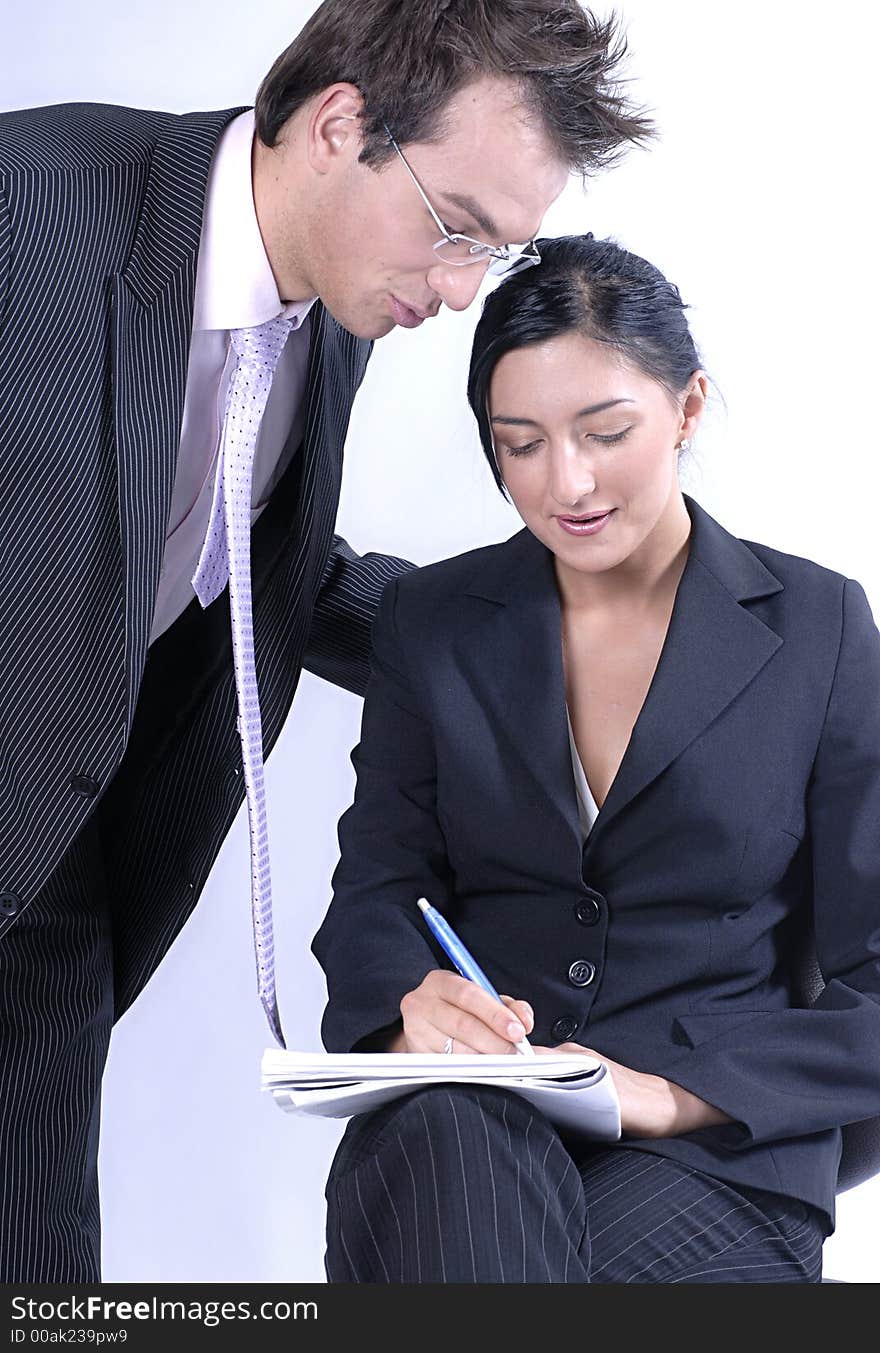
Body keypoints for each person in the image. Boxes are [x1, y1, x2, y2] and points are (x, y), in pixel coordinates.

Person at [0, 0, 653, 1283]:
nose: (467, 290)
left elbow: (255, 561)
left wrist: (554, 628)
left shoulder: (334, 311)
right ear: (344, 123)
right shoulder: (31, 207)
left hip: (56, 894)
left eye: (500, 252)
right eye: (456, 227)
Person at [312, 234, 880, 1283]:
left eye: (602, 431)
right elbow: (379, 886)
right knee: (454, 1164)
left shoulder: (820, 627)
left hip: (713, 1151)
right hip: (468, 1120)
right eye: (518, 443)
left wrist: (670, 1094)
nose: (562, 481)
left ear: (688, 409)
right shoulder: (434, 622)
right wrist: (407, 1011)